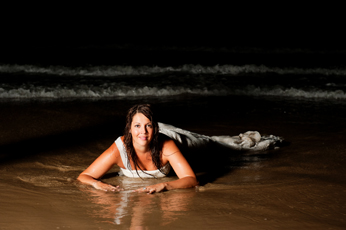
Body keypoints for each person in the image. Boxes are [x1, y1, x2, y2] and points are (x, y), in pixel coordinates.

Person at [77, 104, 199, 194]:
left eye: (148, 126)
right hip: (156, 134)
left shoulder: (167, 145)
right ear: (129, 128)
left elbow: (192, 180)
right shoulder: (119, 149)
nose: (143, 131)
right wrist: (97, 184)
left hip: (178, 140)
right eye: (137, 126)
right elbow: (84, 176)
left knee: (207, 142)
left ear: (154, 128)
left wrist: (164, 185)